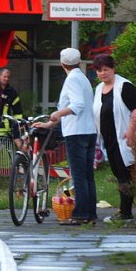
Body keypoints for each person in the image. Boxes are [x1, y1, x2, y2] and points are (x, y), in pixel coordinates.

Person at [34, 48, 98, 225]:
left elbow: (76, 106)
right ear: (78, 62)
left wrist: (57, 114)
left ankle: (80, 214)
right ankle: (90, 213)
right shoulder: (83, 78)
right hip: (89, 131)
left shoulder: (72, 79)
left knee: (78, 176)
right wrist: (50, 124)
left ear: (62, 64)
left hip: (76, 134)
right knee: (86, 176)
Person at [92, 54, 136, 223]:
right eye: (99, 71)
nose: (103, 73)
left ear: (113, 69)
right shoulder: (99, 89)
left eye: (106, 69)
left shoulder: (124, 86)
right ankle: (125, 211)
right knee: (119, 174)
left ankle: (126, 213)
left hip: (125, 138)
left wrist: (131, 130)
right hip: (110, 139)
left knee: (126, 174)